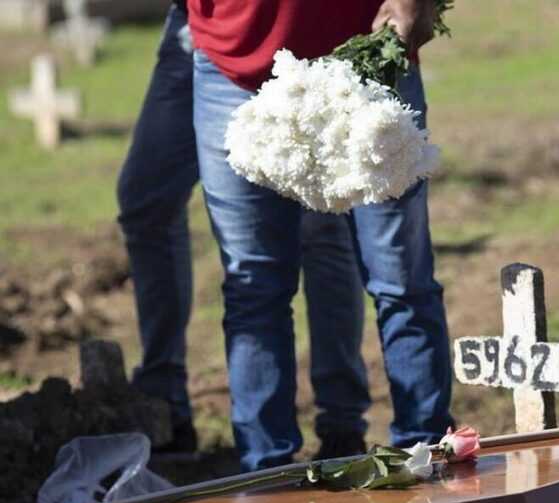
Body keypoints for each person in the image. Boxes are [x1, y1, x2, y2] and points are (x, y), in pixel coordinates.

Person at [183, 0, 453, 471]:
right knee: (253, 287)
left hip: (372, 52)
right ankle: (267, 474)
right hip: (234, 62)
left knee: (401, 279)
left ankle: (425, 455)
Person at [117, 0, 371, 463]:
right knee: (145, 199)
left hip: (305, 22)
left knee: (320, 220)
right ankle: (165, 398)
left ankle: (341, 422)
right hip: (203, 24)